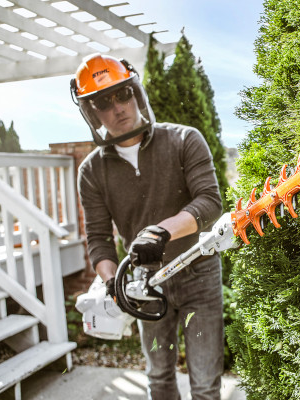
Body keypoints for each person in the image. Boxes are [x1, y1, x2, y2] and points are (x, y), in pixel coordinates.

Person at [71, 53, 224, 400]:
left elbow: (209, 203)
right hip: (145, 283)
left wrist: (162, 231)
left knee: (205, 384)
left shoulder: (184, 139)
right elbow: (98, 239)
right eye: (103, 102)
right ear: (91, 112)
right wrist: (113, 282)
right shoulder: (91, 171)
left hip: (198, 273)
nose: (117, 108)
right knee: (158, 378)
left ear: (136, 92)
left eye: (122, 94)